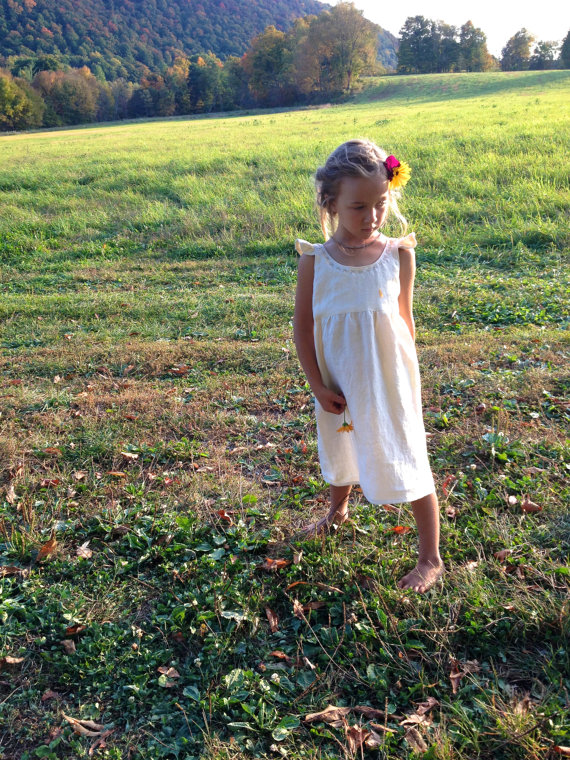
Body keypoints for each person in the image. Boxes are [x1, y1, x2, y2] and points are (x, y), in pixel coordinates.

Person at [293, 138, 444, 593]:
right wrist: (318, 387)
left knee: (407, 452)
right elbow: (302, 331)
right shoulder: (314, 262)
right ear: (331, 203)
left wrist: (406, 383)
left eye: (380, 204)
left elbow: (405, 322)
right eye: (358, 206)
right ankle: (337, 509)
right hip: (340, 379)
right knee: (342, 446)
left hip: (390, 380)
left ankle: (430, 557)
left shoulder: (399, 254)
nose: (371, 216)